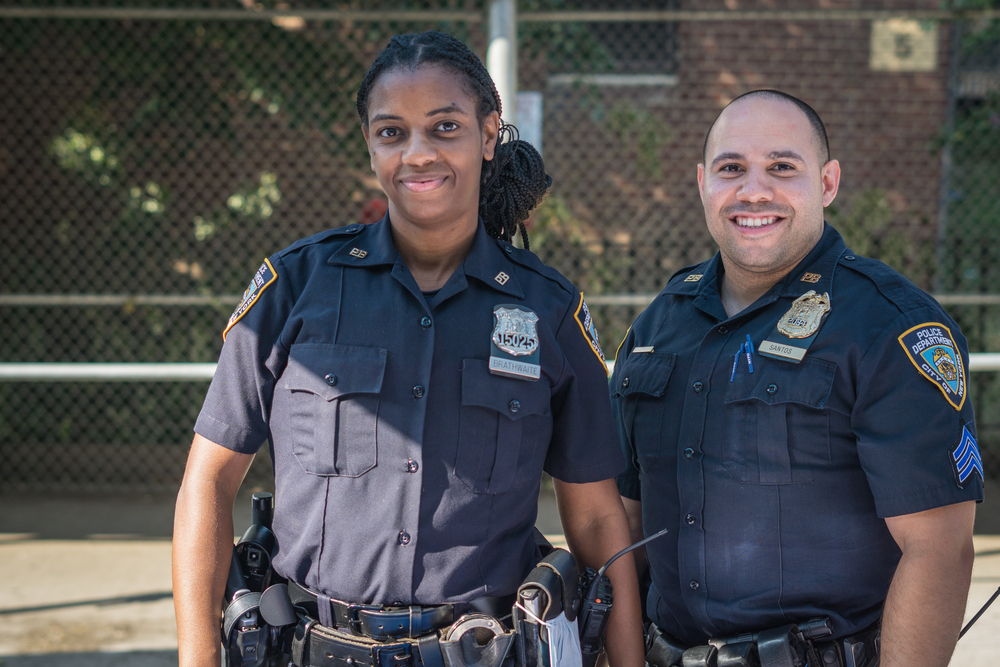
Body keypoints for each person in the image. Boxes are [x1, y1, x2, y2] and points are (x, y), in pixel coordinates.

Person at [172, 30, 644, 667]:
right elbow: (208, 480)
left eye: (444, 127)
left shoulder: (549, 313)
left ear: (488, 133)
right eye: (392, 132)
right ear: (370, 144)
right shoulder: (295, 288)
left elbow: (594, 522)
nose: (418, 153)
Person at [611, 90, 982, 667]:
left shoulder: (889, 325)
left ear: (828, 183)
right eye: (731, 168)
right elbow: (626, 522)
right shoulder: (661, 322)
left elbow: (941, 550)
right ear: (703, 183)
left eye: (783, 167)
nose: (753, 190)